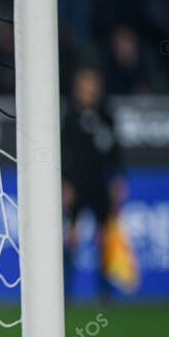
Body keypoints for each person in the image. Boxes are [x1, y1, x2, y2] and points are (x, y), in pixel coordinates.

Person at [61, 66, 126, 299]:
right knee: (71, 239)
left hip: (99, 186)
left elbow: (115, 153)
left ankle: (105, 293)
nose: (89, 89)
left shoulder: (105, 116)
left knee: (104, 239)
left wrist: (118, 180)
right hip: (75, 186)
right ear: (77, 87)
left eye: (93, 84)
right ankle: (65, 294)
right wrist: (63, 184)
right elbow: (62, 153)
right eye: (85, 83)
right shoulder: (68, 117)